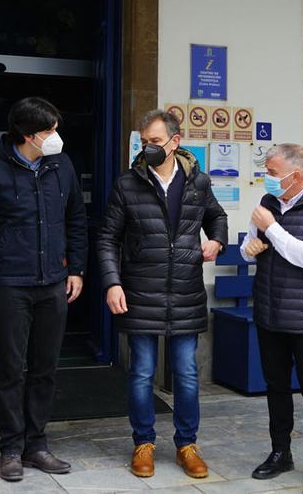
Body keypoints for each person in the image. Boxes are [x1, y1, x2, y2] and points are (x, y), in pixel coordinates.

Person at [0, 97, 88, 482]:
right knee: (11, 369)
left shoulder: (60, 165)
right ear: (28, 136)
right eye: (49, 131)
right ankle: (11, 447)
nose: (56, 137)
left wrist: (77, 269)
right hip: (9, 285)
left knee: (45, 368)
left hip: (53, 283)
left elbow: (77, 219)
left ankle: (38, 444)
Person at [97, 109, 228, 480]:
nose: (148, 148)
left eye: (155, 141)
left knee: (186, 373)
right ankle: (143, 443)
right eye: (144, 142)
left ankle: (187, 444)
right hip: (139, 289)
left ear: (175, 141)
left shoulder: (198, 182)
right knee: (141, 373)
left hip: (185, 291)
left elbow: (217, 217)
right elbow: (107, 237)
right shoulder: (128, 184)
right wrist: (112, 282)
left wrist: (216, 239)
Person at [240, 143, 303, 494]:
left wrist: (272, 228)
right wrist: (249, 250)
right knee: (276, 387)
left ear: (294, 176)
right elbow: (250, 246)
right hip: (269, 311)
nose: (265, 179)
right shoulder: (268, 203)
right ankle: (280, 452)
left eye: (270, 172)